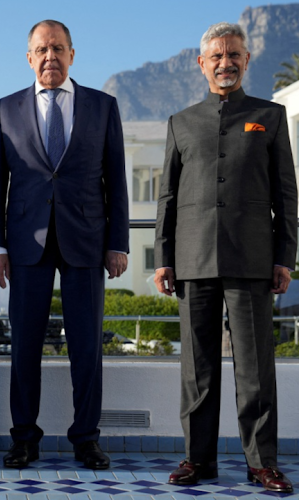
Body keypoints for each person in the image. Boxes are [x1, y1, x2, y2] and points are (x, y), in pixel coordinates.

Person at [154, 22, 296, 493]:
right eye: (216, 57)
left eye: (233, 55)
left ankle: (262, 463)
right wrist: (164, 258)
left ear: (246, 60)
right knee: (198, 369)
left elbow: (286, 195)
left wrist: (285, 257)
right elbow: (167, 200)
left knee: (255, 368)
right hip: (193, 260)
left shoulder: (269, 117)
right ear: (202, 64)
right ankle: (198, 460)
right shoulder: (180, 122)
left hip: (253, 259)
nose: (225, 63)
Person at [0, 20, 129, 469]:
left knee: (86, 347)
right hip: (26, 244)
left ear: (72, 54)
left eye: (59, 49)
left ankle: (86, 438)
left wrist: (118, 242)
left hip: (86, 241)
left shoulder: (103, 107)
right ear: (29, 57)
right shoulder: (5, 108)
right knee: (25, 346)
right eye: (42, 49)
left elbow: (116, 181)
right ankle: (24, 438)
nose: (51, 57)